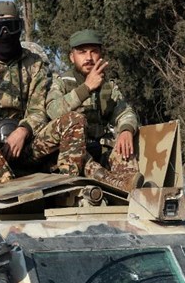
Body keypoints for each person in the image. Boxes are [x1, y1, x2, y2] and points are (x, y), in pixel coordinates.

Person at [0, 1, 89, 187]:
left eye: (10, 27)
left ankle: (66, 189)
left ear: (19, 28)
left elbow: (39, 109)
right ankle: (9, 188)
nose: (4, 34)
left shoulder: (34, 63)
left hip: (25, 142)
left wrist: (23, 131)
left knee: (74, 119)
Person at [46, 29, 144, 192]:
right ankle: (112, 182)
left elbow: (125, 112)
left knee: (125, 148)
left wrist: (126, 130)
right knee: (80, 154)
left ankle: (129, 190)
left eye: (94, 52)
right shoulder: (61, 82)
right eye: (82, 52)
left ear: (101, 55)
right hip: (69, 152)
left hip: (100, 148)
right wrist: (86, 88)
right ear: (72, 57)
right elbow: (52, 111)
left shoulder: (107, 86)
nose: (89, 58)